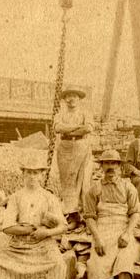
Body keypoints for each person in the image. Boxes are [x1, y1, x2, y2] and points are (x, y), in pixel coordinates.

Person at [83, 150, 140, 279]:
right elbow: (89, 216)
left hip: (122, 229)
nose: (110, 167)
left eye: (114, 163)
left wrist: (127, 233)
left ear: (119, 166)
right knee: (98, 263)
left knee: (125, 262)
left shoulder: (128, 187)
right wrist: (97, 238)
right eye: (106, 163)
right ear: (101, 166)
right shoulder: (94, 190)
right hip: (101, 229)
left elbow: (135, 214)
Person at [53, 85, 94, 217]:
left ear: (79, 99)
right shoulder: (60, 114)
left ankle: (82, 212)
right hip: (65, 146)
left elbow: (88, 128)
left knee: (82, 179)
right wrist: (77, 127)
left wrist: (69, 128)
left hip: (81, 145)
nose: (71, 99)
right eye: (68, 96)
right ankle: (69, 212)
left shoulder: (85, 113)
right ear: (65, 99)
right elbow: (58, 128)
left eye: (74, 96)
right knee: (66, 179)